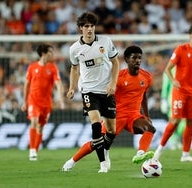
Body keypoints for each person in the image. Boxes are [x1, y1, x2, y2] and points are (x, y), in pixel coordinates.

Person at [62, 45, 156, 172]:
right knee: (97, 142)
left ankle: (140, 153)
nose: (137, 60)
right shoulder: (118, 77)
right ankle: (71, 161)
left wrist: (146, 115)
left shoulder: (147, 77)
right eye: (134, 58)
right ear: (127, 60)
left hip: (133, 115)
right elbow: (106, 96)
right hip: (116, 115)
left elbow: (143, 95)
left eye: (139, 58)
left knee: (150, 128)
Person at [66, 11, 120, 173]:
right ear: (80, 29)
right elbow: (74, 69)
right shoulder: (74, 49)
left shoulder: (105, 41)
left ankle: (105, 151)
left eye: (92, 26)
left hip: (107, 90)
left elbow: (116, 62)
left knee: (111, 130)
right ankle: (103, 163)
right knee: (96, 125)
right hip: (88, 90)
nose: (90, 29)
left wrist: (113, 82)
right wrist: (71, 88)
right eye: (86, 26)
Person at [153, 24, 192, 162]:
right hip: (180, 92)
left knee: (191, 121)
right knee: (175, 120)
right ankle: (158, 152)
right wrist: (173, 81)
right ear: (190, 35)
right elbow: (167, 69)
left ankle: (186, 154)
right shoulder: (181, 49)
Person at [21, 43, 65, 161]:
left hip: (46, 103)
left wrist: (61, 99)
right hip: (33, 100)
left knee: (40, 127)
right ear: (44, 53)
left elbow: (58, 84)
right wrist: (24, 101)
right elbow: (26, 85)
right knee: (34, 122)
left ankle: (35, 149)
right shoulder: (32, 67)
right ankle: (32, 150)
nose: (52, 54)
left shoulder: (52, 68)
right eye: (51, 52)